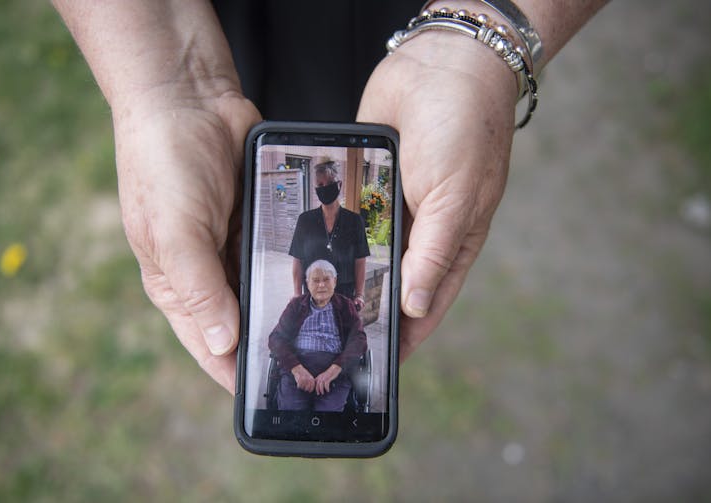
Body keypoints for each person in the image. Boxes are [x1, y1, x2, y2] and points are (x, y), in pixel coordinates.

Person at [51, 0, 608, 393]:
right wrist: (165, 83)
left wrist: (480, 38)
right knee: (243, 144)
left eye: (328, 180)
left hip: (410, 21)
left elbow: (364, 260)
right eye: (322, 180)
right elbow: (296, 265)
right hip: (220, 27)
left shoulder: (356, 225)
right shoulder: (302, 231)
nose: (325, 185)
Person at [269, 260, 366, 411]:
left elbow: (359, 340)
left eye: (327, 279)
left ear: (335, 281)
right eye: (315, 280)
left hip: (335, 369)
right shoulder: (296, 305)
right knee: (291, 410)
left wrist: (335, 369)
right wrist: (297, 369)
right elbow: (276, 338)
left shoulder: (346, 305)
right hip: (298, 366)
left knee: (329, 414)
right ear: (307, 283)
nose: (321, 285)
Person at [289, 161, 369, 309]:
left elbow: (360, 261)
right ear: (315, 188)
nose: (325, 187)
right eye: (320, 184)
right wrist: (297, 294)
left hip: (345, 299)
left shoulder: (355, 221)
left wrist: (359, 295)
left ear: (340, 184)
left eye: (330, 182)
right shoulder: (305, 220)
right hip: (312, 298)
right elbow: (297, 260)